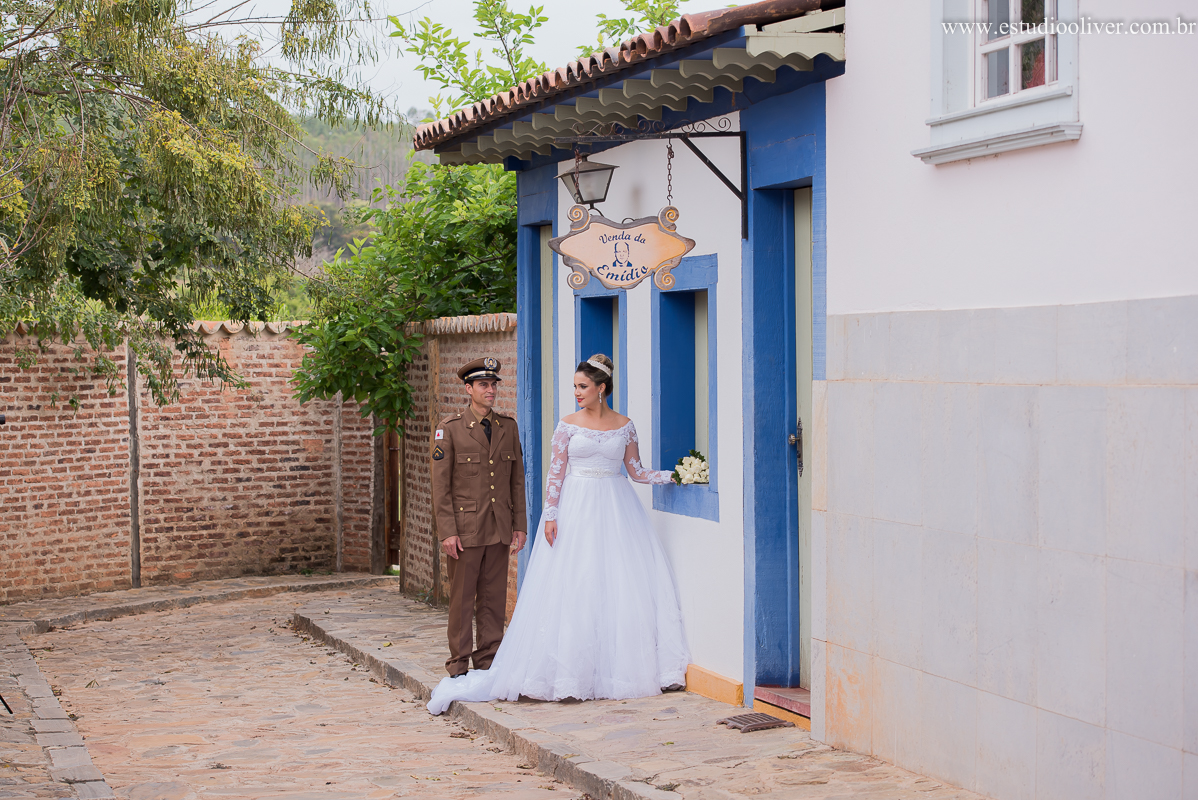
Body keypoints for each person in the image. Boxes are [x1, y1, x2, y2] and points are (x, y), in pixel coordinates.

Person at [427, 353, 691, 715]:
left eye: (583, 386)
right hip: (550, 512)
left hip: (613, 511)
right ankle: (462, 666)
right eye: (575, 387)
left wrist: (677, 475)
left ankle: (496, 661)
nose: (577, 392)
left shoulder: (620, 425)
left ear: (601, 388)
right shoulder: (557, 425)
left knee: (610, 585)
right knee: (482, 596)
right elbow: (552, 474)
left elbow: (634, 471)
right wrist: (548, 515)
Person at [430, 357, 528, 679]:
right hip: (465, 530)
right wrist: (447, 531)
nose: (491, 390)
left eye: (493, 385)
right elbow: (441, 486)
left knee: (493, 598)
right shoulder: (450, 429)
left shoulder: (508, 427)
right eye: (484, 385)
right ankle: (458, 666)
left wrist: (519, 525)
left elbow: (517, 481)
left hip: (499, 528)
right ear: (468, 389)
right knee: (461, 600)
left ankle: (488, 662)